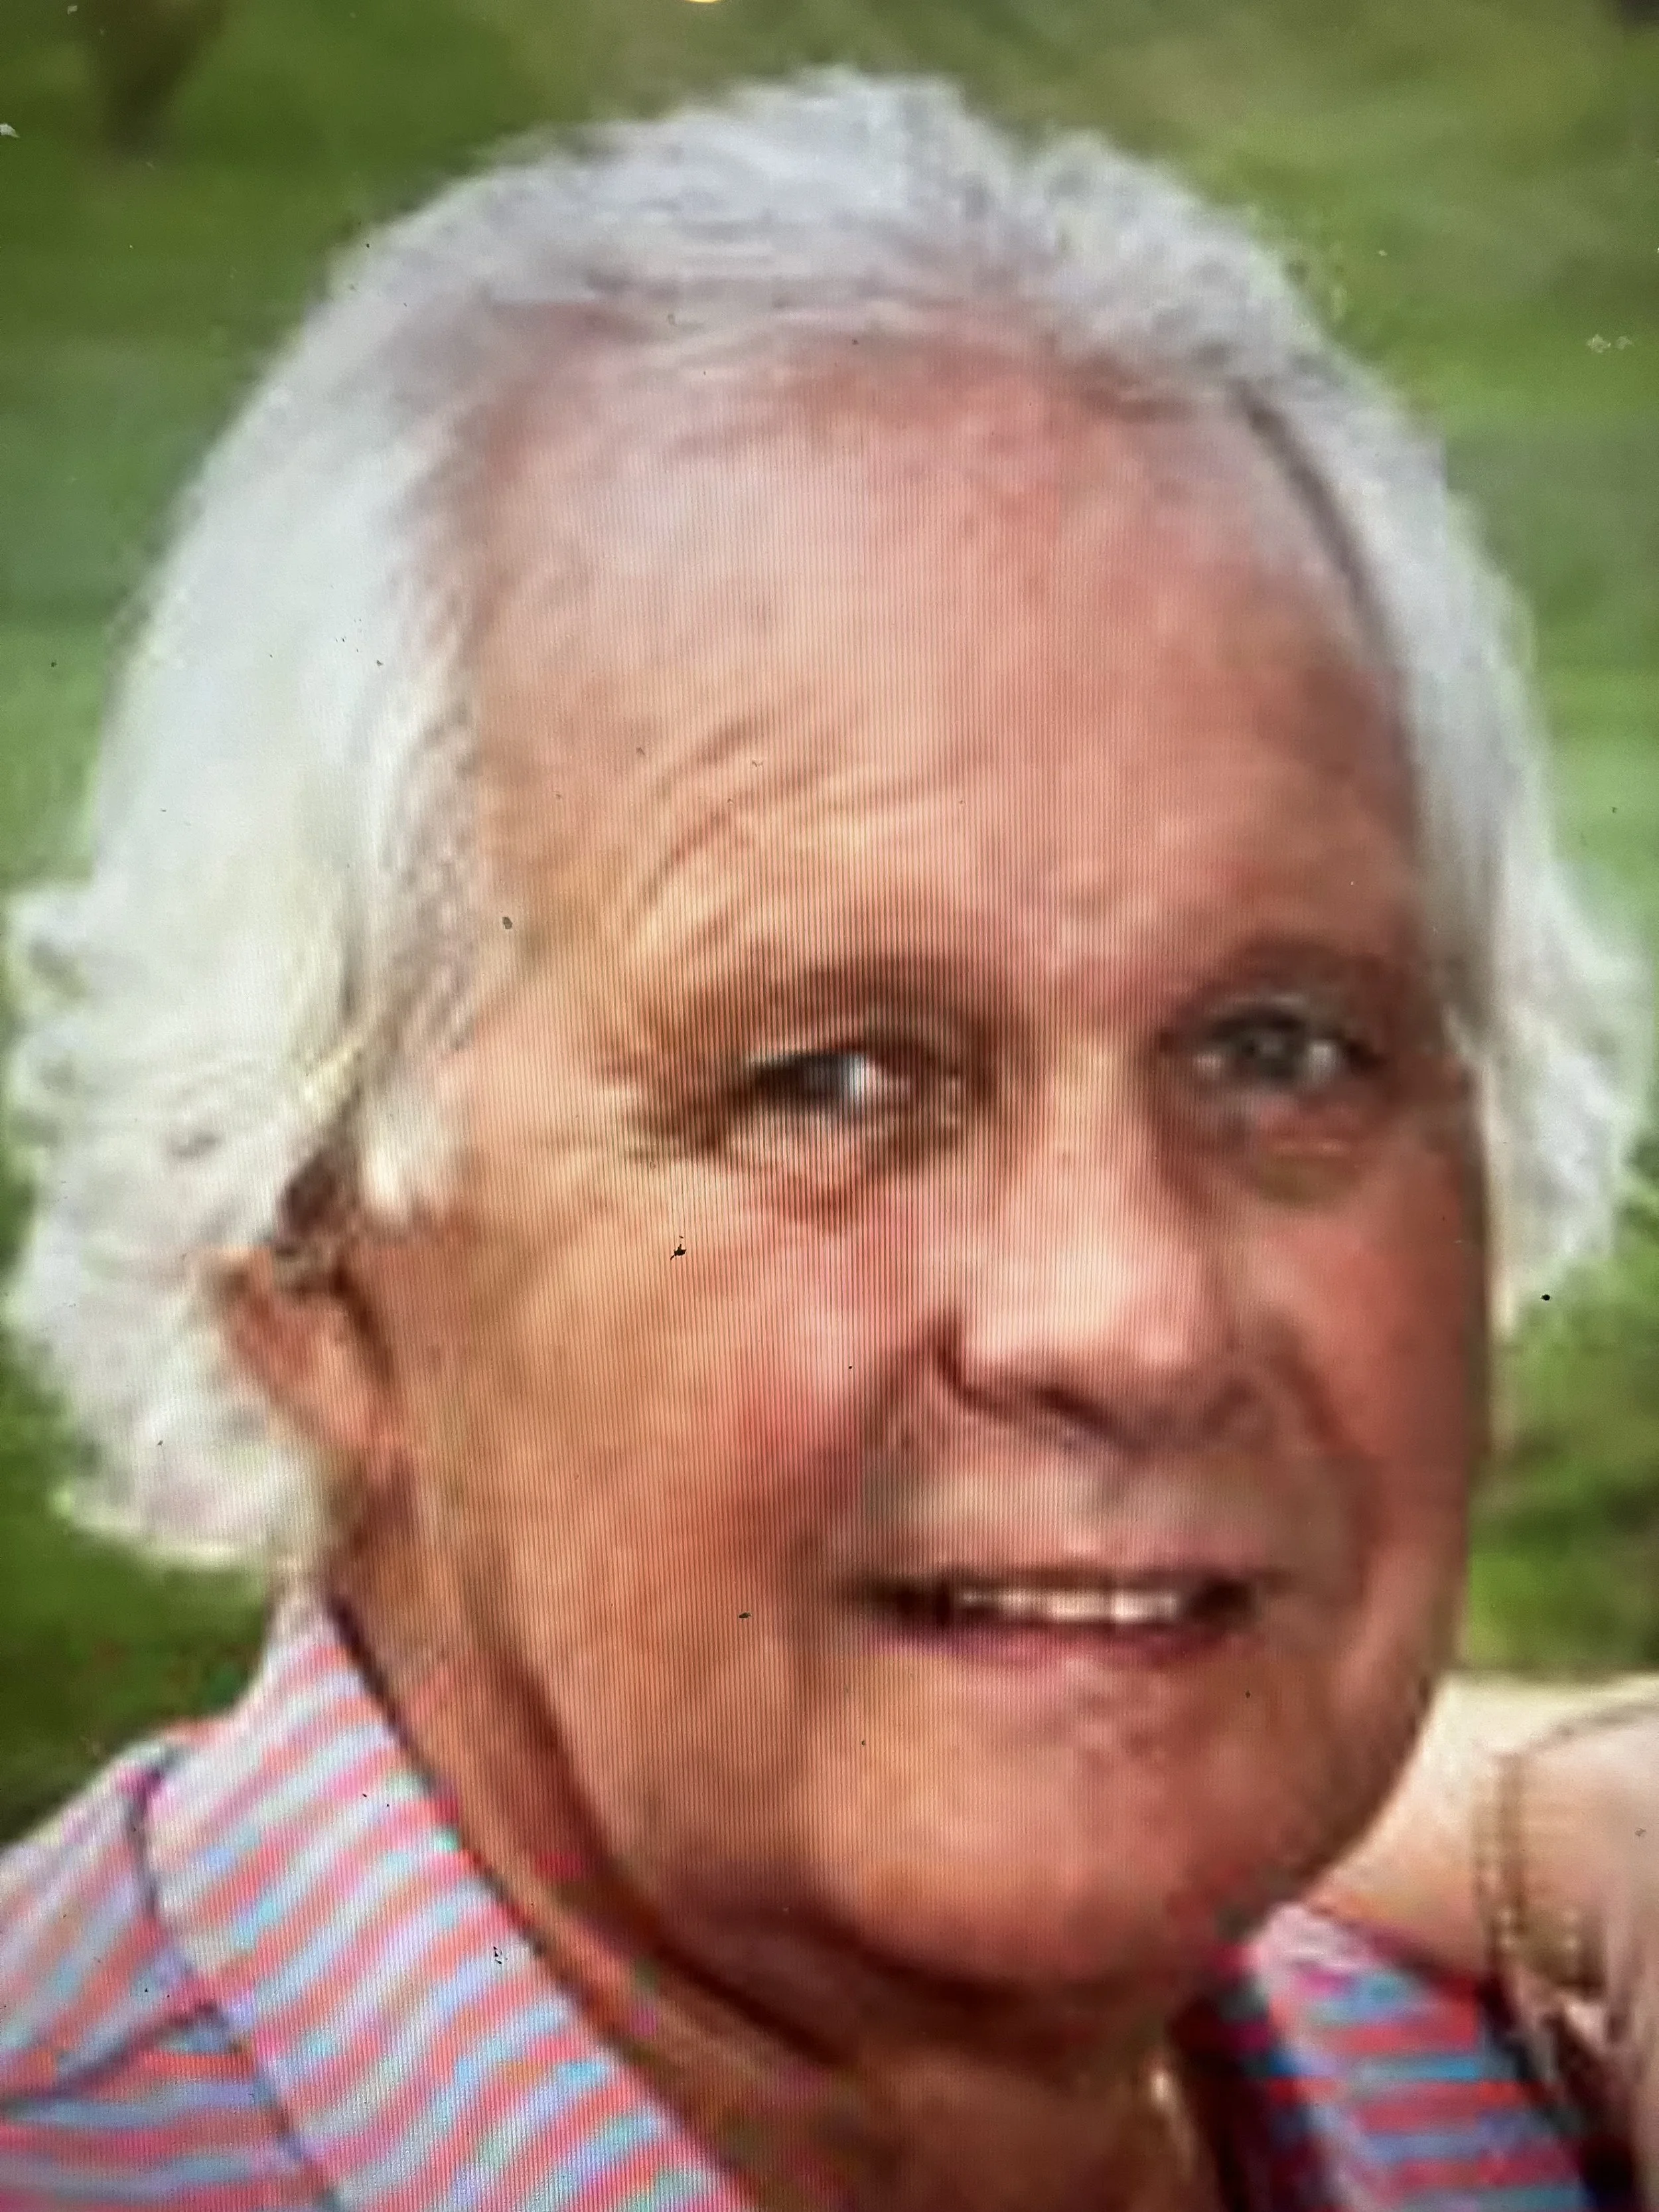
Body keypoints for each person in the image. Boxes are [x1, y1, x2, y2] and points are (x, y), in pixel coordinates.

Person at [0, 67, 1654, 2212]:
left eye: (1275, 1047)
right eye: (832, 1079)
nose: (1127, 1313)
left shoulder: (1545, 2126)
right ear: (307, 1244)